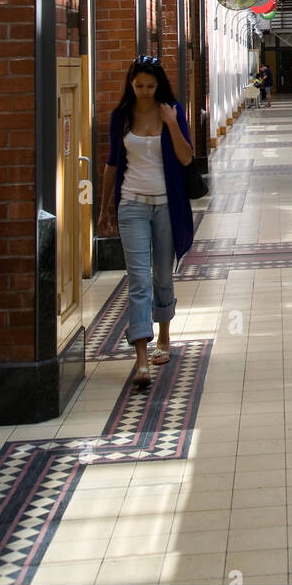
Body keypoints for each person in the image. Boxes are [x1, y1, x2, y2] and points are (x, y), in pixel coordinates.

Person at [97, 56, 195, 388]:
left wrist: (170, 123)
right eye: (138, 86)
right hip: (131, 206)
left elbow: (185, 157)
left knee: (162, 276)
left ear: (159, 86)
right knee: (138, 281)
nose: (144, 92)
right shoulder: (121, 117)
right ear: (131, 84)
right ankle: (141, 359)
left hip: (166, 205)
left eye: (150, 86)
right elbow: (112, 163)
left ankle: (164, 337)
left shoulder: (173, 111)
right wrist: (104, 208)